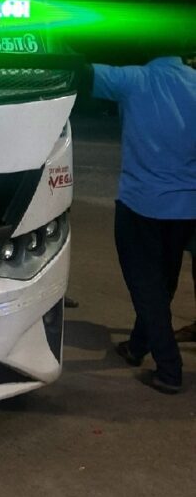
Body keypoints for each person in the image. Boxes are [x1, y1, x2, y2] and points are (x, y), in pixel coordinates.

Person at [89, 50, 196, 393]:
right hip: (188, 206)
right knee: (164, 281)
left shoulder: (133, 79)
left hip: (142, 204)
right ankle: (136, 346)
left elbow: (77, 71)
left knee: (147, 287)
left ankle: (169, 369)